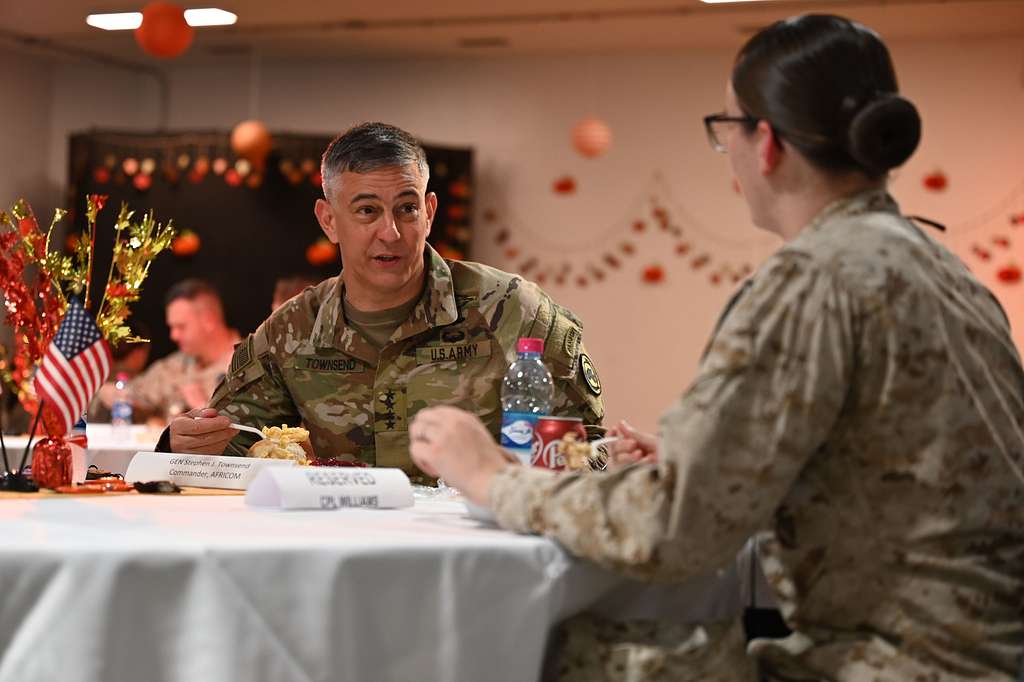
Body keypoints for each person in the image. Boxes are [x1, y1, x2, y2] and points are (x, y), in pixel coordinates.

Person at [409, 15, 1024, 681]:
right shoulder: (938, 265)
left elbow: (673, 530)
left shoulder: (813, 277)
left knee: (555, 651)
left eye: (725, 128)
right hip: (985, 655)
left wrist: (492, 478)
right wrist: (695, 459)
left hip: (897, 664)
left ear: (765, 144)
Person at [166, 122, 604, 479]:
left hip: (478, 550)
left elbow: (591, 447)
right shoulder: (292, 330)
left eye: (407, 209)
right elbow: (234, 443)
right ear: (329, 221)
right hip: (343, 554)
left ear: (429, 213)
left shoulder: (512, 310)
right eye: (367, 211)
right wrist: (188, 442)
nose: (390, 233)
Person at [102, 279, 240, 422]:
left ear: (209, 320)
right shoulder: (174, 366)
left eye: (181, 327)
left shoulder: (248, 365)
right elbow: (130, 394)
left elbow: (253, 432)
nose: (173, 336)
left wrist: (202, 407)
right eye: (172, 327)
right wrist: (110, 393)